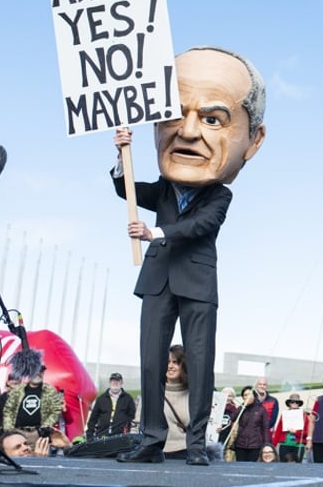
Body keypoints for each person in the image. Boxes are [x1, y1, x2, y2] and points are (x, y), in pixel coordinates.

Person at [112, 46, 267, 467]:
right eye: (176, 114)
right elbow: (125, 188)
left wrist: (154, 231)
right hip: (158, 281)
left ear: (253, 140)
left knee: (199, 366)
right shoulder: (161, 189)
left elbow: (200, 227)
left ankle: (196, 445)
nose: (188, 132)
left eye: (212, 118)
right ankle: (150, 442)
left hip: (197, 284)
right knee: (150, 364)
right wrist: (119, 152)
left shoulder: (220, 194)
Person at [1, 363, 62, 451]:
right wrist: (9, 429)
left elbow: (56, 410)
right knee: (17, 459)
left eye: (40, 371)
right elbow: (8, 409)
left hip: (38, 434)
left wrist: (45, 427)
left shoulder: (49, 390)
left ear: (43, 373)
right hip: (18, 432)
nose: (37, 373)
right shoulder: (18, 390)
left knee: (38, 460)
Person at [86, 372, 136, 440]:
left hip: (120, 436)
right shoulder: (101, 399)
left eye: (117, 381)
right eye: (113, 381)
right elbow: (93, 418)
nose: (115, 383)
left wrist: (126, 430)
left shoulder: (128, 399)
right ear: (110, 382)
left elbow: (131, 417)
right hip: (102, 435)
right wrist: (89, 435)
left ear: (121, 383)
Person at [232, 385, 270, 462]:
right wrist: (242, 408)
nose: (247, 397)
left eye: (249, 394)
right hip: (240, 444)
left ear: (254, 395)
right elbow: (233, 418)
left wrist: (266, 444)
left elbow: (265, 428)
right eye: (245, 395)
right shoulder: (241, 408)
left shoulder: (261, 409)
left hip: (255, 445)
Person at [273, 392, 312, 463]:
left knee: (297, 465)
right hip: (284, 444)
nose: (294, 403)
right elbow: (278, 430)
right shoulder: (284, 414)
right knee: (283, 464)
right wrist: (274, 445)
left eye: (297, 402)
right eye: (292, 402)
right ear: (289, 403)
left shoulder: (304, 415)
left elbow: (306, 431)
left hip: (298, 444)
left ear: (299, 404)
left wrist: (296, 432)